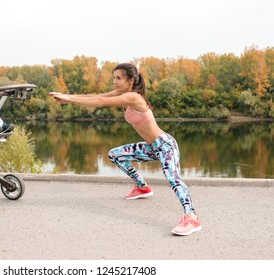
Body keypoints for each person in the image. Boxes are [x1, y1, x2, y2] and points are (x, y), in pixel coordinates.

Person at [49, 63, 201, 236]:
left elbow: (100, 102)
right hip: (151, 147)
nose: (114, 82)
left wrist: (68, 99)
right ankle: (142, 187)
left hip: (165, 146)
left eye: (118, 78)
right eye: (113, 78)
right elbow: (98, 96)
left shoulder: (134, 97)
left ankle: (191, 217)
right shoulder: (123, 94)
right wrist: (68, 96)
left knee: (174, 180)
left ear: (131, 80)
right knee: (115, 155)